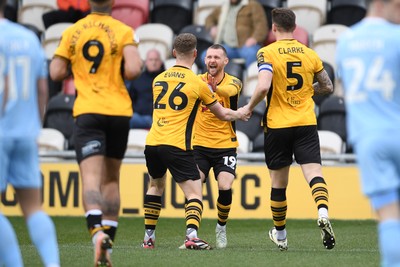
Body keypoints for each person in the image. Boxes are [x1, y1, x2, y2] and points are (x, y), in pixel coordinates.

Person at [49, 0, 142, 265]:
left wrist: (76, 67)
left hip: (88, 110)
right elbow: (134, 70)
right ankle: (108, 243)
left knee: (90, 178)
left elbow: (55, 71)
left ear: (89, 2)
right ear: (112, 2)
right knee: (111, 179)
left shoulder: (72, 31)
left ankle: (97, 234)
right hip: (118, 111)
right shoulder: (125, 30)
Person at [141, 33, 249, 250]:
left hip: (153, 142)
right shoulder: (197, 83)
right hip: (178, 144)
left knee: (155, 186)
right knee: (194, 194)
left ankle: (148, 238)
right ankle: (191, 236)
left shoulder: (158, 79)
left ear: (173, 53)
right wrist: (241, 113)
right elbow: (223, 114)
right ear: (196, 55)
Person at [242, 8, 335, 251]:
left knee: (278, 184)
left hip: (278, 125)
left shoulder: (267, 52)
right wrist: (307, 90)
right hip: (305, 122)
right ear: (295, 28)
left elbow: (263, 87)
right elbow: (327, 85)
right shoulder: (309, 53)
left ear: (273, 28)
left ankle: (281, 235)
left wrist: (249, 107)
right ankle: (323, 211)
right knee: (314, 173)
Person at [336, 0, 400, 265]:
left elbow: (344, 86)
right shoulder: (396, 37)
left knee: (388, 215)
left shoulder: (346, 41)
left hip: (369, 138)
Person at [0, 0, 60, 266]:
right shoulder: (29, 38)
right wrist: (35, 128)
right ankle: (52, 263)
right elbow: (42, 90)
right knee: (33, 208)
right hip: (26, 132)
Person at [193, 44, 242, 249]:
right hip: (199, 144)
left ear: (225, 61)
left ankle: (221, 227)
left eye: (217, 57)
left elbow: (229, 91)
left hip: (225, 145)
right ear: (205, 61)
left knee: (225, 186)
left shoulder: (234, 82)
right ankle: (192, 234)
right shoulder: (195, 81)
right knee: (195, 187)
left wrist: (213, 88)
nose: (212, 60)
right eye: (209, 57)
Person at [202, 0, 268, 68]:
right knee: (206, 55)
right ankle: (217, 78)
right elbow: (209, 18)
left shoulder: (253, 5)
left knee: (252, 54)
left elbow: (261, 26)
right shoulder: (223, 7)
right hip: (228, 46)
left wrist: (254, 38)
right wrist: (212, 27)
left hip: (246, 46)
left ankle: (250, 77)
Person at [128, 49, 164, 129]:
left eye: (156, 60)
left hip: (162, 119)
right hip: (139, 118)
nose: (153, 63)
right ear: (145, 62)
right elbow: (130, 100)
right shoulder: (138, 79)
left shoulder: (168, 78)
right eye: (151, 60)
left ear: (161, 62)